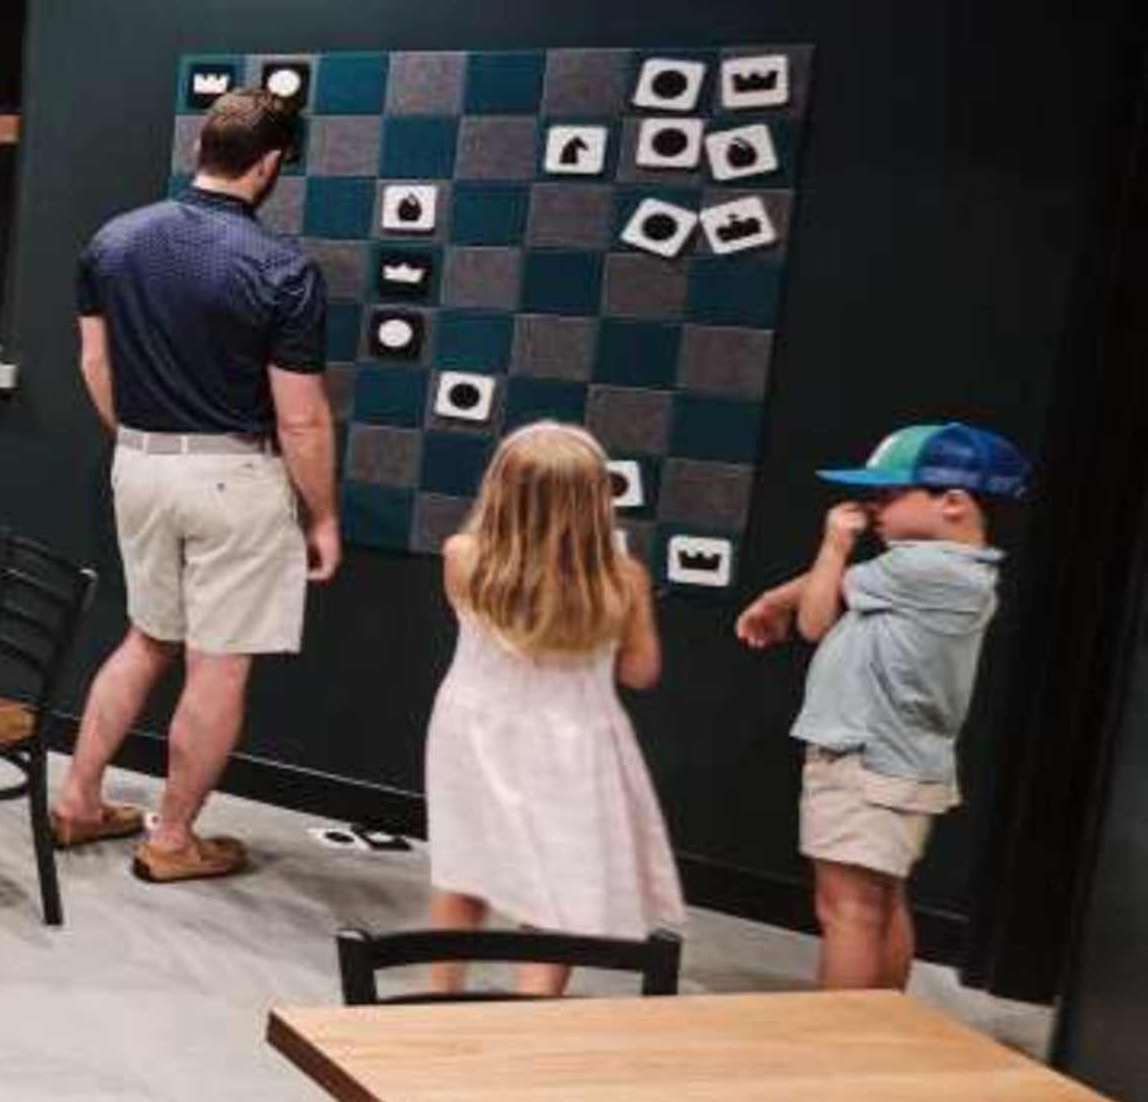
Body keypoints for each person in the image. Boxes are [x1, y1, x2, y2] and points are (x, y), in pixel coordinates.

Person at [53, 87, 337, 885]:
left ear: (202, 149)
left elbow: (93, 364)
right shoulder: (284, 269)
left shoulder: (114, 241)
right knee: (218, 667)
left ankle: (77, 800)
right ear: (272, 164)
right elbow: (304, 420)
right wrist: (324, 516)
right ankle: (173, 840)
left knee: (146, 638)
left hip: (138, 465)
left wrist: (139, 443)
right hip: (235, 475)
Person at [734, 422, 1028, 991]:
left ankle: (838, 1047)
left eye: (890, 495)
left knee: (846, 911)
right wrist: (775, 597)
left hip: (864, 760)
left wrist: (834, 542)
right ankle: (880, 1027)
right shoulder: (954, 569)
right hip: (900, 761)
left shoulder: (923, 568)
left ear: (953, 503)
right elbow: (843, 586)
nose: (873, 507)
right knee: (881, 902)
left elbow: (817, 621)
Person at [420, 423, 678, 993]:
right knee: (559, 883)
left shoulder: (462, 558)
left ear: (499, 489)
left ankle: (438, 996)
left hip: (474, 730)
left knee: (465, 867)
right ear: (596, 501)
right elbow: (641, 671)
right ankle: (533, 1011)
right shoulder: (624, 579)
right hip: (576, 740)